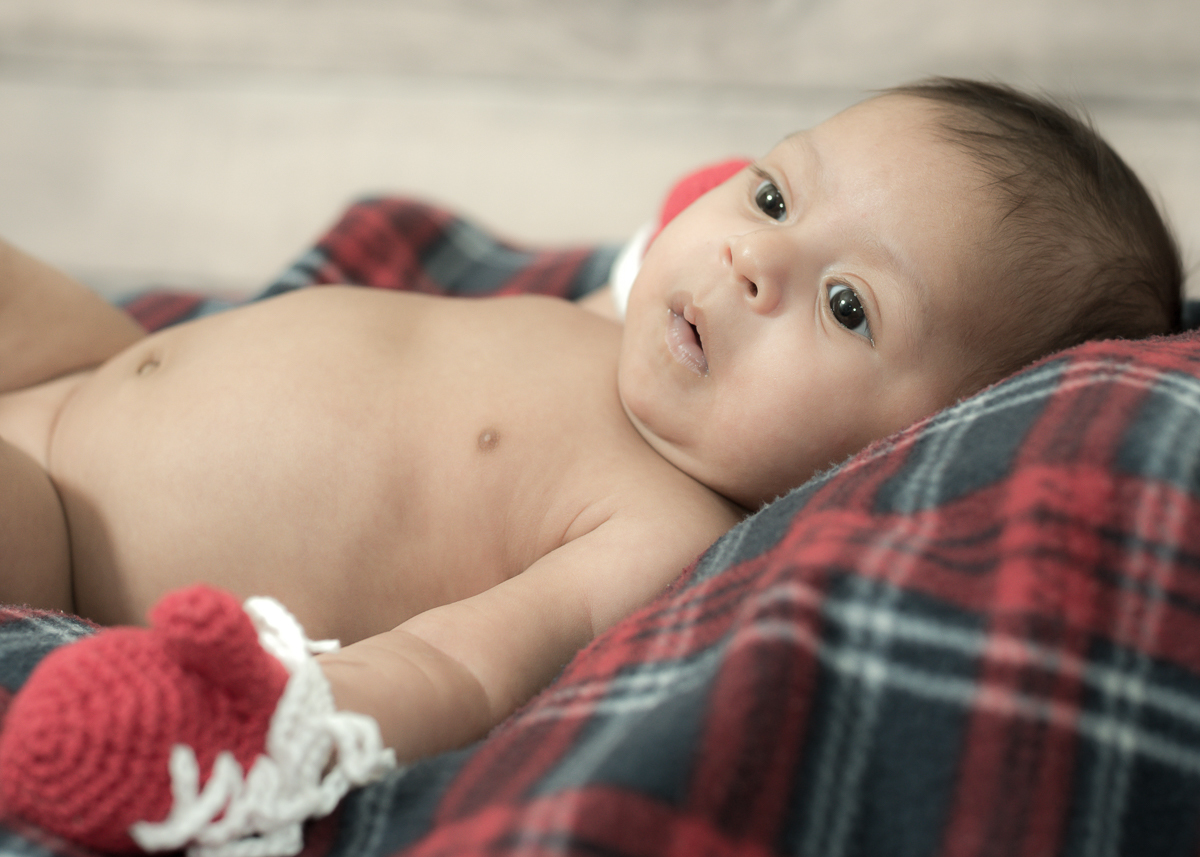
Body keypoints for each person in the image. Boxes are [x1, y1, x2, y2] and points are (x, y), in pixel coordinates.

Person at [0, 78, 1182, 765]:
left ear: (914, 443)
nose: (751, 256)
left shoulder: (655, 526)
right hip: (93, 352)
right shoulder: (624, 318)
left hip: (58, 528)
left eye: (845, 304)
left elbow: (457, 669)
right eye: (774, 193)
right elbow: (670, 236)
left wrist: (274, 721)